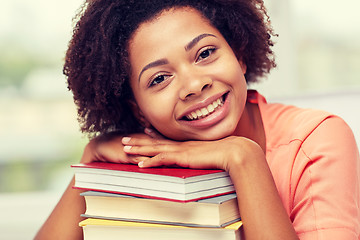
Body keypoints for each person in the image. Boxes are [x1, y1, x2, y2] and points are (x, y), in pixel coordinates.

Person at [35, 0, 360, 239]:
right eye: (159, 79)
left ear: (240, 54)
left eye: (205, 53)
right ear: (138, 110)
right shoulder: (139, 162)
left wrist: (243, 157)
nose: (194, 85)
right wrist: (91, 164)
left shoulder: (317, 140)